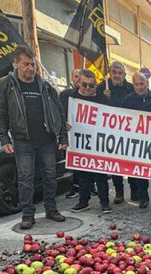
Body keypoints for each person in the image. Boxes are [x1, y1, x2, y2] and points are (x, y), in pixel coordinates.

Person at [0, 46, 67, 229]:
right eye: (25, 64)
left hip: (47, 139)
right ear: (16, 64)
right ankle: (27, 215)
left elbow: (59, 111)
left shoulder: (45, 85)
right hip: (22, 139)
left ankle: (51, 209)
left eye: (33, 64)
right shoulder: (6, 84)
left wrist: (62, 136)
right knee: (26, 178)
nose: (30, 68)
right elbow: (0, 112)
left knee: (50, 175)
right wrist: (4, 138)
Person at [61, 69, 112, 215]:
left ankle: (104, 202)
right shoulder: (69, 97)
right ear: (78, 83)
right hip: (79, 143)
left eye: (91, 85)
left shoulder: (102, 98)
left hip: (98, 143)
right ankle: (83, 201)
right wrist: (64, 125)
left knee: (100, 174)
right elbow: (59, 115)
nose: (88, 88)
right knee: (82, 174)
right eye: (84, 85)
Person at [98, 61, 134, 204]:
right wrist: (104, 98)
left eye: (120, 73)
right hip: (111, 133)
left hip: (129, 132)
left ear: (124, 75)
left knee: (132, 163)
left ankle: (135, 191)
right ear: (110, 73)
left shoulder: (131, 88)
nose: (117, 75)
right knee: (115, 165)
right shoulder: (102, 87)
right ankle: (119, 192)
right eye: (114, 72)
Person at [121, 71, 151, 209]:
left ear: (147, 83)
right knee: (139, 171)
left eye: (142, 83)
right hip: (135, 141)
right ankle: (142, 197)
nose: (139, 87)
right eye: (136, 84)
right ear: (133, 85)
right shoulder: (127, 100)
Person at [60, 68, 83, 199]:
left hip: (85, 134)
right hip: (70, 134)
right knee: (73, 161)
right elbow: (59, 112)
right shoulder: (65, 95)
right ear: (72, 79)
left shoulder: (90, 94)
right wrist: (63, 123)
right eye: (76, 76)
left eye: (80, 76)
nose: (78, 79)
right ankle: (75, 186)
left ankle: (89, 186)